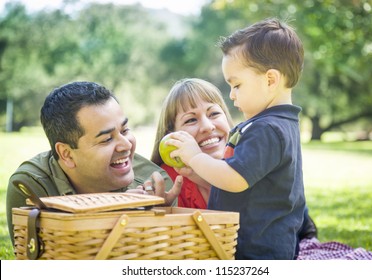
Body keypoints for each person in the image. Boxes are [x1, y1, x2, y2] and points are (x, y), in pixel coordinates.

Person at [165, 18, 307, 259]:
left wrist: (195, 156)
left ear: (270, 80)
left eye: (237, 85)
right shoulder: (277, 124)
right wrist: (200, 174)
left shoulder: (267, 129)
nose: (231, 95)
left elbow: (236, 179)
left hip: (258, 252)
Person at [6, 81, 182, 245]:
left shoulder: (156, 185)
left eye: (125, 130)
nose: (126, 144)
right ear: (66, 154)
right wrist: (117, 212)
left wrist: (157, 219)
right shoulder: (32, 187)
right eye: (106, 139)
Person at [151, 78, 234, 208]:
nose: (207, 126)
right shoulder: (168, 182)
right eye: (191, 120)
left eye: (214, 113)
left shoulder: (251, 162)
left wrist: (205, 181)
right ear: (172, 136)